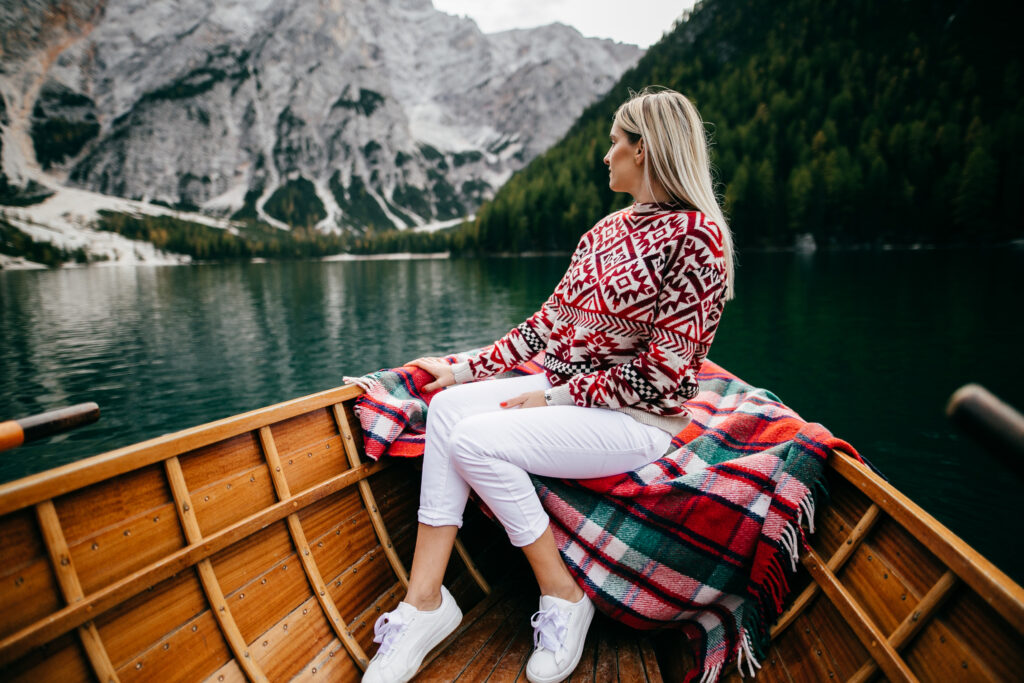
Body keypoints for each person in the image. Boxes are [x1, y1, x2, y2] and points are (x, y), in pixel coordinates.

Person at [361, 86, 736, 683]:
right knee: (450, 408)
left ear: (645, 150)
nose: (605, 155)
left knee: (477, 441)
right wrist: (461, 372)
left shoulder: (698, 241)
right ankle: (424, 604)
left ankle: (563, 595)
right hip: (568, 397)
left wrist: (556, 395)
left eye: (615, 142)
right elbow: (546, 325)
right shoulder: (606, 231)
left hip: (635, 423)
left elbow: (664, 381)